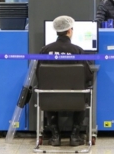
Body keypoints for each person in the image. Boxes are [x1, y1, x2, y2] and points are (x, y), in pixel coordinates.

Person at [38, 15, 93, 147]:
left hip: (50, 100)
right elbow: (87, 76)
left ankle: (55, 136)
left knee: (47, 92)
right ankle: (75, 136)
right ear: (69, 31)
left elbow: (39, 74)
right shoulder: (77, 50)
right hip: (75, 99)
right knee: (84, 92)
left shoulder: (45, 50)